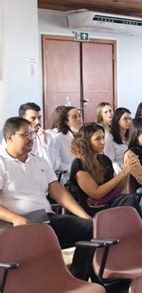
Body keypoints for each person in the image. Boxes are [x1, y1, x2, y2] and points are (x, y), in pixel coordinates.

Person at [0, 117, 92, 279]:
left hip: (45, 218)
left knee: (91, 228)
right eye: (25, 134)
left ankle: (77, 279)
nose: (30, 138)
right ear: (9, 137)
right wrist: (17, 218)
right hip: (15, 224)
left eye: (32, 134)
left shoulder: (39, 161)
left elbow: (58, 191)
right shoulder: (2, 163)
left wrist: (83, 215)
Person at [68, 123, 142, 225]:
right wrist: (123, 173)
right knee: (129, 200)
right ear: (86, 142)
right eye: (97, 139)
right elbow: (96, 193)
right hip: (91, 207)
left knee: (130, 200)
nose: (103, 142)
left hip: (108, 201)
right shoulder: (79, 163)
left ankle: (139, 236)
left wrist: (128, 170)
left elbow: (118, 189)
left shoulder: (104, 159)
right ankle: (139, 236)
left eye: (103, 137)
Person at [1, 103, 56, 168]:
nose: (38, 122)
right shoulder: (12, 139)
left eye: (39, 118)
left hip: (42, 175)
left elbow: (53, 166)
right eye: (33, 118)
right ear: (22, 120)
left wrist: (44, 144)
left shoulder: (47, 137)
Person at [54, 106, 83, 183]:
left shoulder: (85, 135)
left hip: (86, 174)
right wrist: (75, 168)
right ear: (66, 122)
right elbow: (57, 164)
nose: (79, 119)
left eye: (79, 116)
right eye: (74, 117)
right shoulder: (59, 138)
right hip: (68, 177)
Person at [104, 107, 132, 174]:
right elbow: (110, 161)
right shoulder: (110, 139)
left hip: (133, 168)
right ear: (117, 120)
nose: (128, 121)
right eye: (125, 119)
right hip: (120, 171)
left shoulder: (131, 136)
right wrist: (121, 173)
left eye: (130, 119)